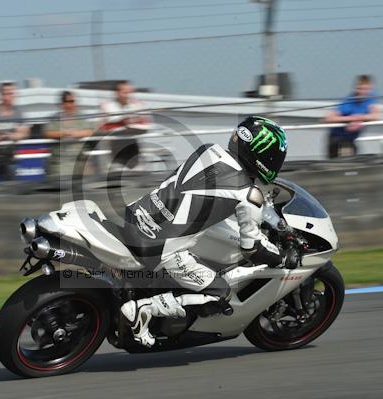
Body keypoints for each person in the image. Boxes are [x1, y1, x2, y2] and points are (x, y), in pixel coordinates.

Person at [120, 116, 291, 347]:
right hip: (159, 249)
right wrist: (281, 258)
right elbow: (252, 248)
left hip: (136, 218)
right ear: (264, 154)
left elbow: (202, 194)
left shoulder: (207, 150)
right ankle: (144, 309)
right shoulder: (248, 195)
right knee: (220, 291)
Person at [0, 81, 30, 182]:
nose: (8, 96)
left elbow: (24, 132)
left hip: (10, 156)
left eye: (11, 93)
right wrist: (0, 138)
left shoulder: (18, 113)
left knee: (13, 184)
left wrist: (10, 136)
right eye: (5, 93)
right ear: (0, 95)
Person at [99, 80, 151, 170]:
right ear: (117, 93)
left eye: (129, 92)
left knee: (139, 174)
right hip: (116, 152)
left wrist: (125, 124)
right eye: (125, 92)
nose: (128, 95)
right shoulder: (107, 105)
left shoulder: (137, 105)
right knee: (118, 177)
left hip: (134, 151)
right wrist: (127, 123)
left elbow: (146, 125)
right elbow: (104, 127)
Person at [324, 75, 379, 158]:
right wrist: (350, 119)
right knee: (340, 163)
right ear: (355, 88)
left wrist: (359, 118)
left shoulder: (371, 97)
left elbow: (375, 115)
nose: (362, 92)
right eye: (360, 89)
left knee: (353, 161)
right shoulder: (348, 102)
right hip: (337, 138)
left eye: (366, 89)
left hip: (351, 139)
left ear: (370, 89)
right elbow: (329, 118)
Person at [43, 91, 94, 178]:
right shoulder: (54, 118)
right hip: (60, 161)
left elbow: (90, 131)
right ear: (62, 104)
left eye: (73, 101)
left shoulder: (81, 117)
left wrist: (75, 133)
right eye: (70, 101)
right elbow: (47, 132)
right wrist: (63, 133)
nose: (73, 104)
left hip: (79, 160)